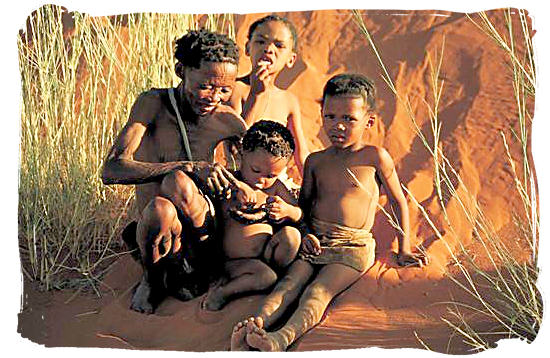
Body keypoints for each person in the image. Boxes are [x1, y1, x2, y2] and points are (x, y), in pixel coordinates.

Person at [230, 73, 429, 351]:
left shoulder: (375, 157)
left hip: (353, 246)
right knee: (288, 284)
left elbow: (398, 200)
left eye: (349, 119)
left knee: (317, 292)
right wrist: (307, 233)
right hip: (316, 241)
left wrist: (404, 247)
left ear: (368, 121)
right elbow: (306, 208)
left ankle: (280, 338)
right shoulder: (315, 161)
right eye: (330, 116)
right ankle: (256, 325)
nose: (338, 126)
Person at [101, 29, 247, 314]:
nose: (214, 97)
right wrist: (188, 167)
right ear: (181, 70)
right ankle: (152, 280)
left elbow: (252, 172)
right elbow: (111, 169)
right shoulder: (152, 104)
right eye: (205, 86)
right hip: (157, 225)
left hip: (200, 230)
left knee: (179, 185)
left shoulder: (229, 122)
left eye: (224, 89)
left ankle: (205, 270)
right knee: (165, 200)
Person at [201, 120, 303, 311]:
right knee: (266, 277)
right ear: (241, 155)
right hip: (235, 262)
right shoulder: (230, 181)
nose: (262, 180)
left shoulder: (276, 188)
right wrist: (234, 188)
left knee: (292, 236)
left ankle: (280, 278)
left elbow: (299, 214)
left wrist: (287, 211)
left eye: (272, 175)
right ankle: (223, 292)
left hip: (267, 256)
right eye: (256, 170)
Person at [229, 15, 309, 175]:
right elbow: (234, 148)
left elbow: (301, 155)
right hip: (241, 178)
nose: (268, 49)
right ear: (247, 48)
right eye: (260, 42)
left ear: (291, 59)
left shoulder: (288, 101)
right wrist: (256, 95)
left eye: (279, 45)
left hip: (275, 181)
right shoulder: (234, 89)